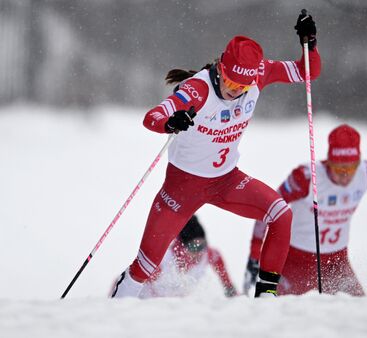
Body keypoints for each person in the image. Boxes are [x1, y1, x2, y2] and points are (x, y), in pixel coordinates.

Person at [111, 11, 321, 298]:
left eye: (243, 87)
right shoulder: (197, 89)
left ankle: (266, 297)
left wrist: (310, 45)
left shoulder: (258, 74)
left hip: (226, 181)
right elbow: (153, 116)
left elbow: (306, 71)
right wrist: (170, 122)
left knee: (281, 214)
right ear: (221, 69)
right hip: (181, 189)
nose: (236, 92)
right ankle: (112, 312)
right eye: (232, 84)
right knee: (143, 269)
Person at [242, 124, 367, 296]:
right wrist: (255, 255)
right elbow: (266, 210)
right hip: (295, 264)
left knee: (356, 318)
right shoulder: (305, 177)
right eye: (339, 170)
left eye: (351, 169)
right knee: (292, 322)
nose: (345, 177)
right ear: (328, 162)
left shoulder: (366, 173)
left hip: (336, 263)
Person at [133, 215, 238, 298]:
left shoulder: (211, 255)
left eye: (202, 245)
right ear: (181, 246)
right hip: (150, 303)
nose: (199, 252)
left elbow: (228, 286)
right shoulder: (164, 260)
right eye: (193, 247)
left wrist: (233, 294)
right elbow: (134, 283)